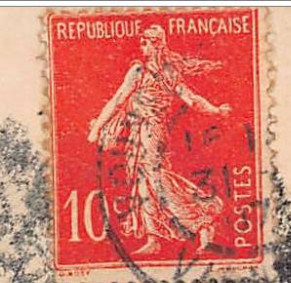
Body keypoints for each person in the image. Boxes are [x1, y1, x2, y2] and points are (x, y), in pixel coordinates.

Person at [86, 24, 230, 256]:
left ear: (156, 45)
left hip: (151, 132)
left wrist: (215, 111)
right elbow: (118, 100)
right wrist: (215, 110)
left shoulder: (149, 73)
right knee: (143, 181)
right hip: (143, 132)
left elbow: (191, 99)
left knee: (156, 181)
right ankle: (154, 238)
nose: (141, 46)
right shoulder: (149, 72)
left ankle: (201, 223)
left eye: (145, 42)